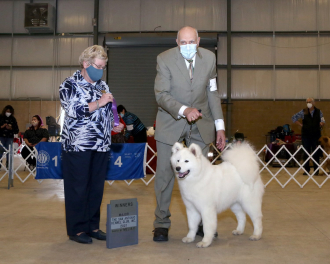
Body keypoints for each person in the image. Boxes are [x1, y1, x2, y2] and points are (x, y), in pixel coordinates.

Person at [152, 26, 226, 242]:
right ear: (177, 42)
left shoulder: (210, 59)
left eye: (191, 41)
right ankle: (161, 223)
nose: (187, 46)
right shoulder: (164, 59)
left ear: (198, 40)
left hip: (201, 124)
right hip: (171, 121)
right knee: (165, 176)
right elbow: (161, 95)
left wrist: (219, 126)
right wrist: (184, 110)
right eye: (183, 43)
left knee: (201, 176)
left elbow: (212, 93)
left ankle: (203, 222)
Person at [59, 45, 122, 244]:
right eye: (98, 66)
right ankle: (76, 230)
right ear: (86, 64)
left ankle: (92, 226)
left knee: (96, 188)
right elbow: (73, 111)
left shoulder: (102, 86)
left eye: (104, 67)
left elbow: (107, 112)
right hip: (78, 145)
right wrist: (99, 103)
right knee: (78, 188)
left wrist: (114, 125)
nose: (101, 70)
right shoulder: (69, 84)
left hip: (101, 145)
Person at [292, 98, 325, 176]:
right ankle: (306, 170)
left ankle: (316, 170)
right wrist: (301, 125)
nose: (308, 103)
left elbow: (323, 121)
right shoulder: (304, 111)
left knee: (316, 153)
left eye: (309, 102)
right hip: (306, 135)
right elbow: (294, 118)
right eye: (307, 102)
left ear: (313, 103)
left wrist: (321, 123)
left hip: (316, 135)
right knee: (306, 153)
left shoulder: (319, 112)